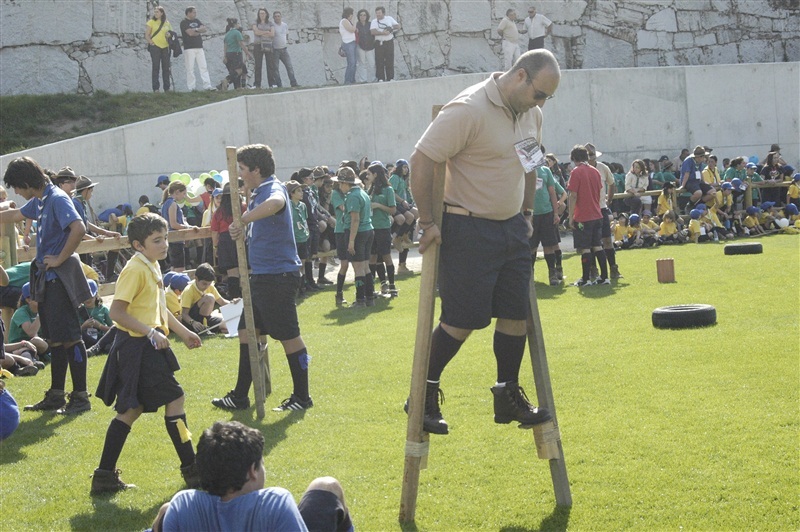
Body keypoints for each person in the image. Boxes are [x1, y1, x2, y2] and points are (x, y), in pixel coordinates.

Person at [408, 49, 560, 435]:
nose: (542, 103)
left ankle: (507, 395)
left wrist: (526, 214)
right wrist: (426, 221)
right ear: (520, 76)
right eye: (540, 93)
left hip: (511, 228)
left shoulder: (531, 114)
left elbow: (530, 163)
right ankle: (421, 394)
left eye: (547, 98)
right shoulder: (468, 109)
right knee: (462, 320)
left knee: (515, 314)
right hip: (467, 227)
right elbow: (422, 160)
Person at [93, 213, 203, 494]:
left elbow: (159, 308)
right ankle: (193, 472)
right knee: (175, 398)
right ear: (138, 245)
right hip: (138, 348)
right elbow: (117, 312)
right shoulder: (135, 269)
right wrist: (151, 332)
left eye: (165, 237)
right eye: (157, 240)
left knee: (132, 409)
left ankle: (104, 477)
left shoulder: (151, 264)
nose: (164, 244)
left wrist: (182, 331)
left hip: (148, 345)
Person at [212, 144, 312, 412]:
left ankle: (302, 397)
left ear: (256, 169)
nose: (240, 174)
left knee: (289, 336)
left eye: (243, 169)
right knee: (246, 332)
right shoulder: (257, 192)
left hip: (277, 276)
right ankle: (240, 395)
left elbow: (277, 204)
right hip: (261, 277)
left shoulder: (272, 189)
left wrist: (243, 220)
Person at [1, 156, 93, 415]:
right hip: (47, 281)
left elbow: (79, 227)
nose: (17, 192)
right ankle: (56, 395)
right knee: (54, 341)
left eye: (18, 187)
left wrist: (61, 257)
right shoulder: (41, 200)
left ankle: (80, 397)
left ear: (28, 182)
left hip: (58, 280)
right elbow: (16, 214)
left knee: (72, 339)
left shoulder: (57, 199)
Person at [154, 421, 353, 532]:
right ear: (252, 471)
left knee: (165, 510)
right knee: (327, 486)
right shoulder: (275, 504)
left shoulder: (183, 505)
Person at [568, 145, 609, 286]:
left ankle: (585, 279)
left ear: (574, 159)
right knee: (597, 245)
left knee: (585, 248)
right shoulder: (595, 172)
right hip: (597, 213)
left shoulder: (576, 172)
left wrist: (570, 216)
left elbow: (573, 195)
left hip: (583, 216)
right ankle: (604, 277)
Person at [334, 167, 375, 308]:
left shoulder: (352, 196)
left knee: (358, 268)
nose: (339, 186)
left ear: (346, 183)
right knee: (365, 267)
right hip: (368, 230)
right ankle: (370, 297)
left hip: (358, 233)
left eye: (340, 183)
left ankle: (360, 299)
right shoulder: (362, 192)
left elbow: (355, 220)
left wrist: (351, 241)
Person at [585, 143, 622, 280]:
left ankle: (613, 268)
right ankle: (593, 269)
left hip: (601, 207)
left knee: (607, 239)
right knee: (591, 242)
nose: (591, 157)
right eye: (589, 155)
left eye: (592, 155)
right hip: (588, 210)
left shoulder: (603, 168)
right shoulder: (580, 170)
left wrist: (609, 200)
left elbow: (612, 184)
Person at [367, 162, 398, 297]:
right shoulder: (370, 189)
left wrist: (378, 205)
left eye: (369, 174)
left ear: (375, 174)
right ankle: (372, 288)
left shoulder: (388, 189)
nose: (367, 176)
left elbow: (393, 210)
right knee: (372, 257)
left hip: (383, 228)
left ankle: (392, 286)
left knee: (386, 256)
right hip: (371, 227)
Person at [181, 263, 233, 335]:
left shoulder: (210, 287)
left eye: (209, 284)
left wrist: (234, 303)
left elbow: (222, 302)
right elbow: (184, 314)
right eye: (204, 284)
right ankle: (204, 328)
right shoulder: (189, 290)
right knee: (210, 298)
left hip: (206, 319)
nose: (207, 286)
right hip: (191, 320)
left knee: (227, 325)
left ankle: (208, 328)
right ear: (196, 279)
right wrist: (193, 322)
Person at [180, 6, 213, 91]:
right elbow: (190, 33)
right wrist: (198, 30)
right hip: (189, 48)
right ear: (189, 13)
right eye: (194, 12)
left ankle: (207, 86)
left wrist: (196, 30)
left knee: (203, 67)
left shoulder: (197, 21)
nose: (195, 14)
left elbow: (204, 29)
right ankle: (192, 88)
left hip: (199, 47)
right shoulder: (184, 22)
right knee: (190, 69)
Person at [146, 6, 173, 92]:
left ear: (162, 13)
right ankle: (156, 88)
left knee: (166, 68)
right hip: (155, 47)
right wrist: (151, 43)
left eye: (157, 12)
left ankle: (167, 88)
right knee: (156, 67)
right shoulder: (151, 22)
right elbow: (147, 35)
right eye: (155, 12)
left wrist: (169, 35)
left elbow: (171, 33)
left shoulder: (167, 22)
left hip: (165, 47)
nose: (155, 13)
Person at [680, 145, 715, 210]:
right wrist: (683, 185)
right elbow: (686, 174)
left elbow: (700, 172)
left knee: (713, 192)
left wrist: (704, 182)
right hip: (689, 181)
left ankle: (697, 204)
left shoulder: (700, 162)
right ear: (699, 157)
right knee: (698, 193)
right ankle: (689, 205)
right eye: (703, 156)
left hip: (698, 181)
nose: (704, 158)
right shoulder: (688, 161)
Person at [220, 18, 252, 90]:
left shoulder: (227, 34)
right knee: (238, 70)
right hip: (236, 53)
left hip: (229, 54)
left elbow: (225, 45)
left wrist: (225, 56)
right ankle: (227, 80)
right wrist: (247, 53)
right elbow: (241, 44)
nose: (239, 25)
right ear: (235, 24)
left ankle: (238, 87)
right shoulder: (237, 33)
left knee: (240, 70)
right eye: (238, 23)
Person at [370, 6, 400, 82]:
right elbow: (372, 31)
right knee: (379, 60)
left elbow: (398, 26)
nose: (378, 14)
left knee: (389, 60)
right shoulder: (374, 21)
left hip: (389, 42)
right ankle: (380, 78)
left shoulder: (389, 19)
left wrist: (390, 28)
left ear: (383, 13)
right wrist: (382, 33)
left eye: (379, 13)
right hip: (379, 43)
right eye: (376, 13)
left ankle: (390, 78)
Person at [271, 12, 299, 88]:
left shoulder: (285, 25)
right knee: (276, 69)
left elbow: (286, 35)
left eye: (278, 16)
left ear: (281, 17)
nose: (277, 17)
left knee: (289, 66)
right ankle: (279, 85)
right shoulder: (272, 25)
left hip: (284, 49)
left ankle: (293, 83)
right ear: (273, 18)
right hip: (275, 50)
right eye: (275, 16)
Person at [252, 8, 277, 89]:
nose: (262, 15)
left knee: (270, 64)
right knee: (258, 65)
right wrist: (266, 32)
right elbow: (256, 32)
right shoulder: (255, 22)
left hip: (268, 44)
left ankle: (272, 83)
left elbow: (272, 34)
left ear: (266, 14)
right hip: (258, 45)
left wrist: (261, 33)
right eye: (260, 13)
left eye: (263, 13)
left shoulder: (270, 23)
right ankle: (257, 84)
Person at [355, 9, 376, 83]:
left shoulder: (370, 24)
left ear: (367, 16)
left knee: (372, 63)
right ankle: (363, 80)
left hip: (370, 46)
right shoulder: (357, 25)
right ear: (358, 16)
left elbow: (373, 34)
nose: (362, 16)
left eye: (364, 15)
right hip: (361, 46)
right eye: (361, 15)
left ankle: (374, 79)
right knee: (362, 63)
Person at [340, 7, 358, 85]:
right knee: (351, 62)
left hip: (352, 43)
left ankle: (352, 79)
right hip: (348, 43)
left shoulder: (348, 21)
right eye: (351, 14)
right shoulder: (344, 21)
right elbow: (351, 30)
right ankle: (348, 80)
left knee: (354, 62)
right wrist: (355, 26)